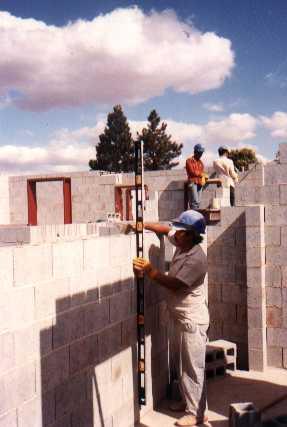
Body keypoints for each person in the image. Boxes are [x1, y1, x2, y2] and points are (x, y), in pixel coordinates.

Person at [133, 210, 209, 427]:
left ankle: (197, 414)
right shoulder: (182, 242)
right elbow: (166, 229)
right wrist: (140, 225)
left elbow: (175, 284)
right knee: (182, 364)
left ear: (191, 235)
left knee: (193, 368)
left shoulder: (196, 260)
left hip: (192, 320)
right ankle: (188, 402)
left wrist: (151, 271)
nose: (176, 234)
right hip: (180, 318)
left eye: (181, 231)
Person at [185, 144, 206, 210]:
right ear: (195, 152)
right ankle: (194, 217)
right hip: (193, 182)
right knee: (195, 201)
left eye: (201, 153)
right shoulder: (189, 160)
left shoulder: (201, 163)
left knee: (198, 202)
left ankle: (195, 215)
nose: (201, 154)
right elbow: (192, 172)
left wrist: (203, 176)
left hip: (199, 183)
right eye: (199, 153)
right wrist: (201, 174)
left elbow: (202, 172)